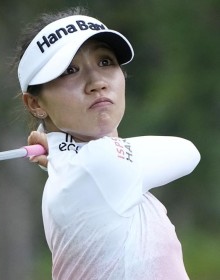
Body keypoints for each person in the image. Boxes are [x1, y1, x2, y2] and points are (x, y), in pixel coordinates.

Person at [15, 7, 200, 280]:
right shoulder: (96, 166)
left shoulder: (72, 172)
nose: (96, 82)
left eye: (105, 62)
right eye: (69, 70)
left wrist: (62, 154)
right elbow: (188, 152)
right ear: (35, 103)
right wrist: (64, 155)